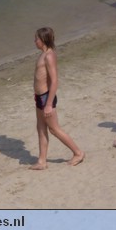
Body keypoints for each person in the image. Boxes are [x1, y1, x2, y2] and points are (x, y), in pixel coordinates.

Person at [30, 26, 85, 170]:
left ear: (43, 40)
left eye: (36, 39)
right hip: (39, 97)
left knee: (54, 129)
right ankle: (42, 161)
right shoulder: (42, 54)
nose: (34, 41)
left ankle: (78, 153)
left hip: (46, 98)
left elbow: (54, 81)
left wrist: (48, 104)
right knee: (41, 128)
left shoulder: (49, 56)